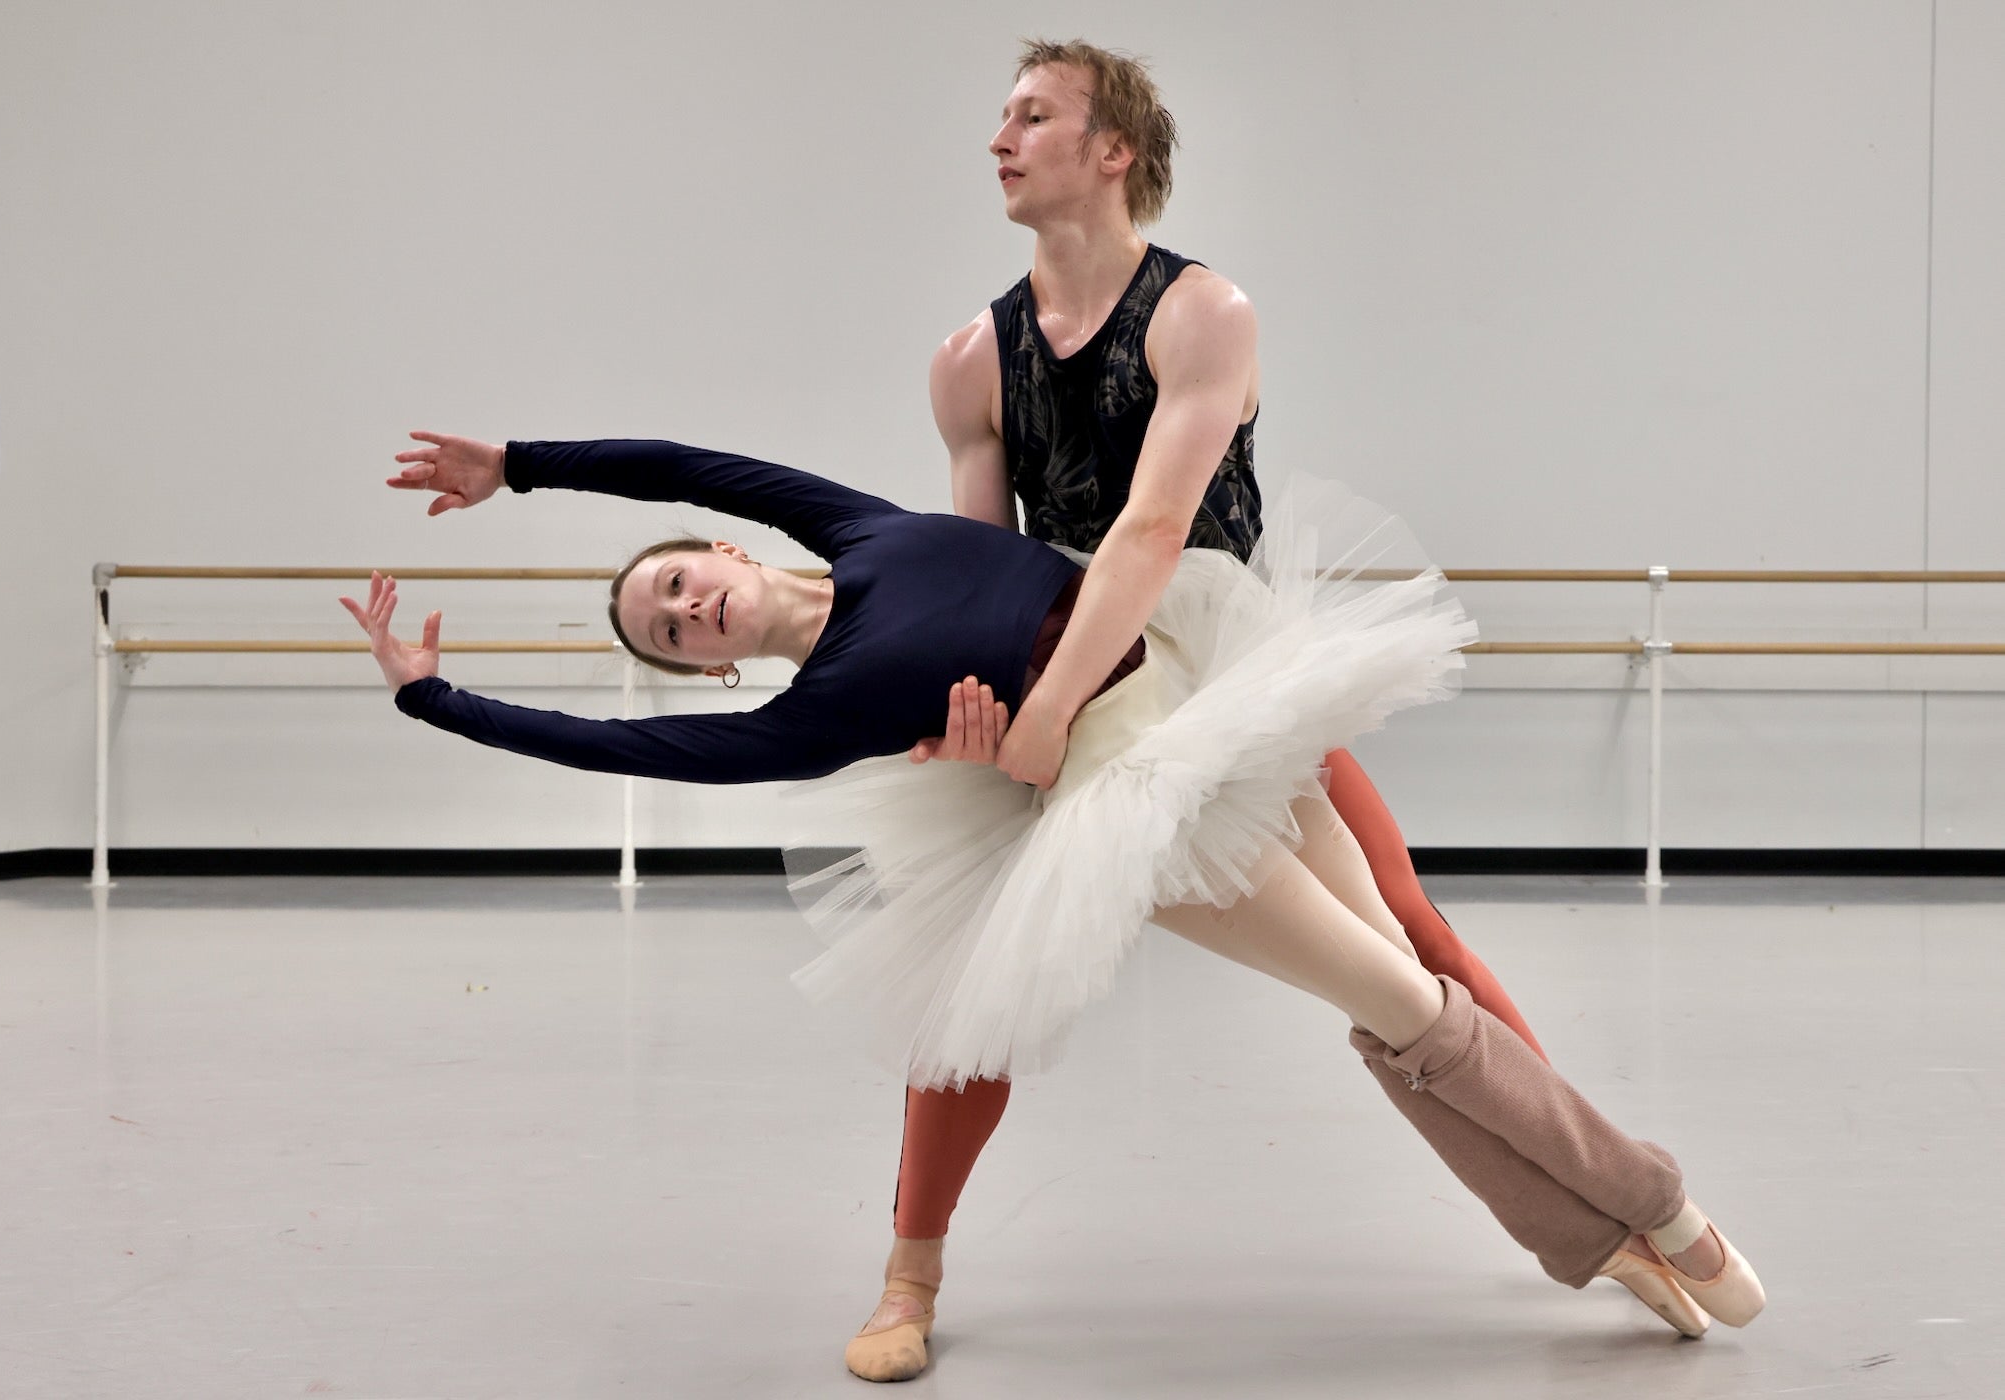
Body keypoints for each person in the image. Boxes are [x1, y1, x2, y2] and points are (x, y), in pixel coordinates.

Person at [358, 431, 1763, 1379]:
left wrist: (521, 468)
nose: (684, 615)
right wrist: (437, 703)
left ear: (726, 558)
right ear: (701, 669)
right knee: (1396, 1002)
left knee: (1407, 981)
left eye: (678, 584)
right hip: (1137, 797)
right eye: (664, 637)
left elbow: (684, 462)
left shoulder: (855, 528)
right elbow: (611, 748)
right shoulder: (806, 716)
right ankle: (1656, 1200)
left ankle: (1584, 1232)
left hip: (1221, 700)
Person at [853, 39, 1551, 1381]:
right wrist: (1011, 720)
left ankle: (1609, 1190)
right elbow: (983, 572)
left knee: (1406, 934)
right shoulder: (969, 362)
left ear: (1113, 150)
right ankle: (907, 1276)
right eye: (1000, 116)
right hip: (1067, 688)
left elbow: (1157, 528)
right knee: (969, 979)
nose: (1001, 137)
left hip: (1218, 681)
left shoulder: (1202, 312)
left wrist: (1050, 708)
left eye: (1034, 115)